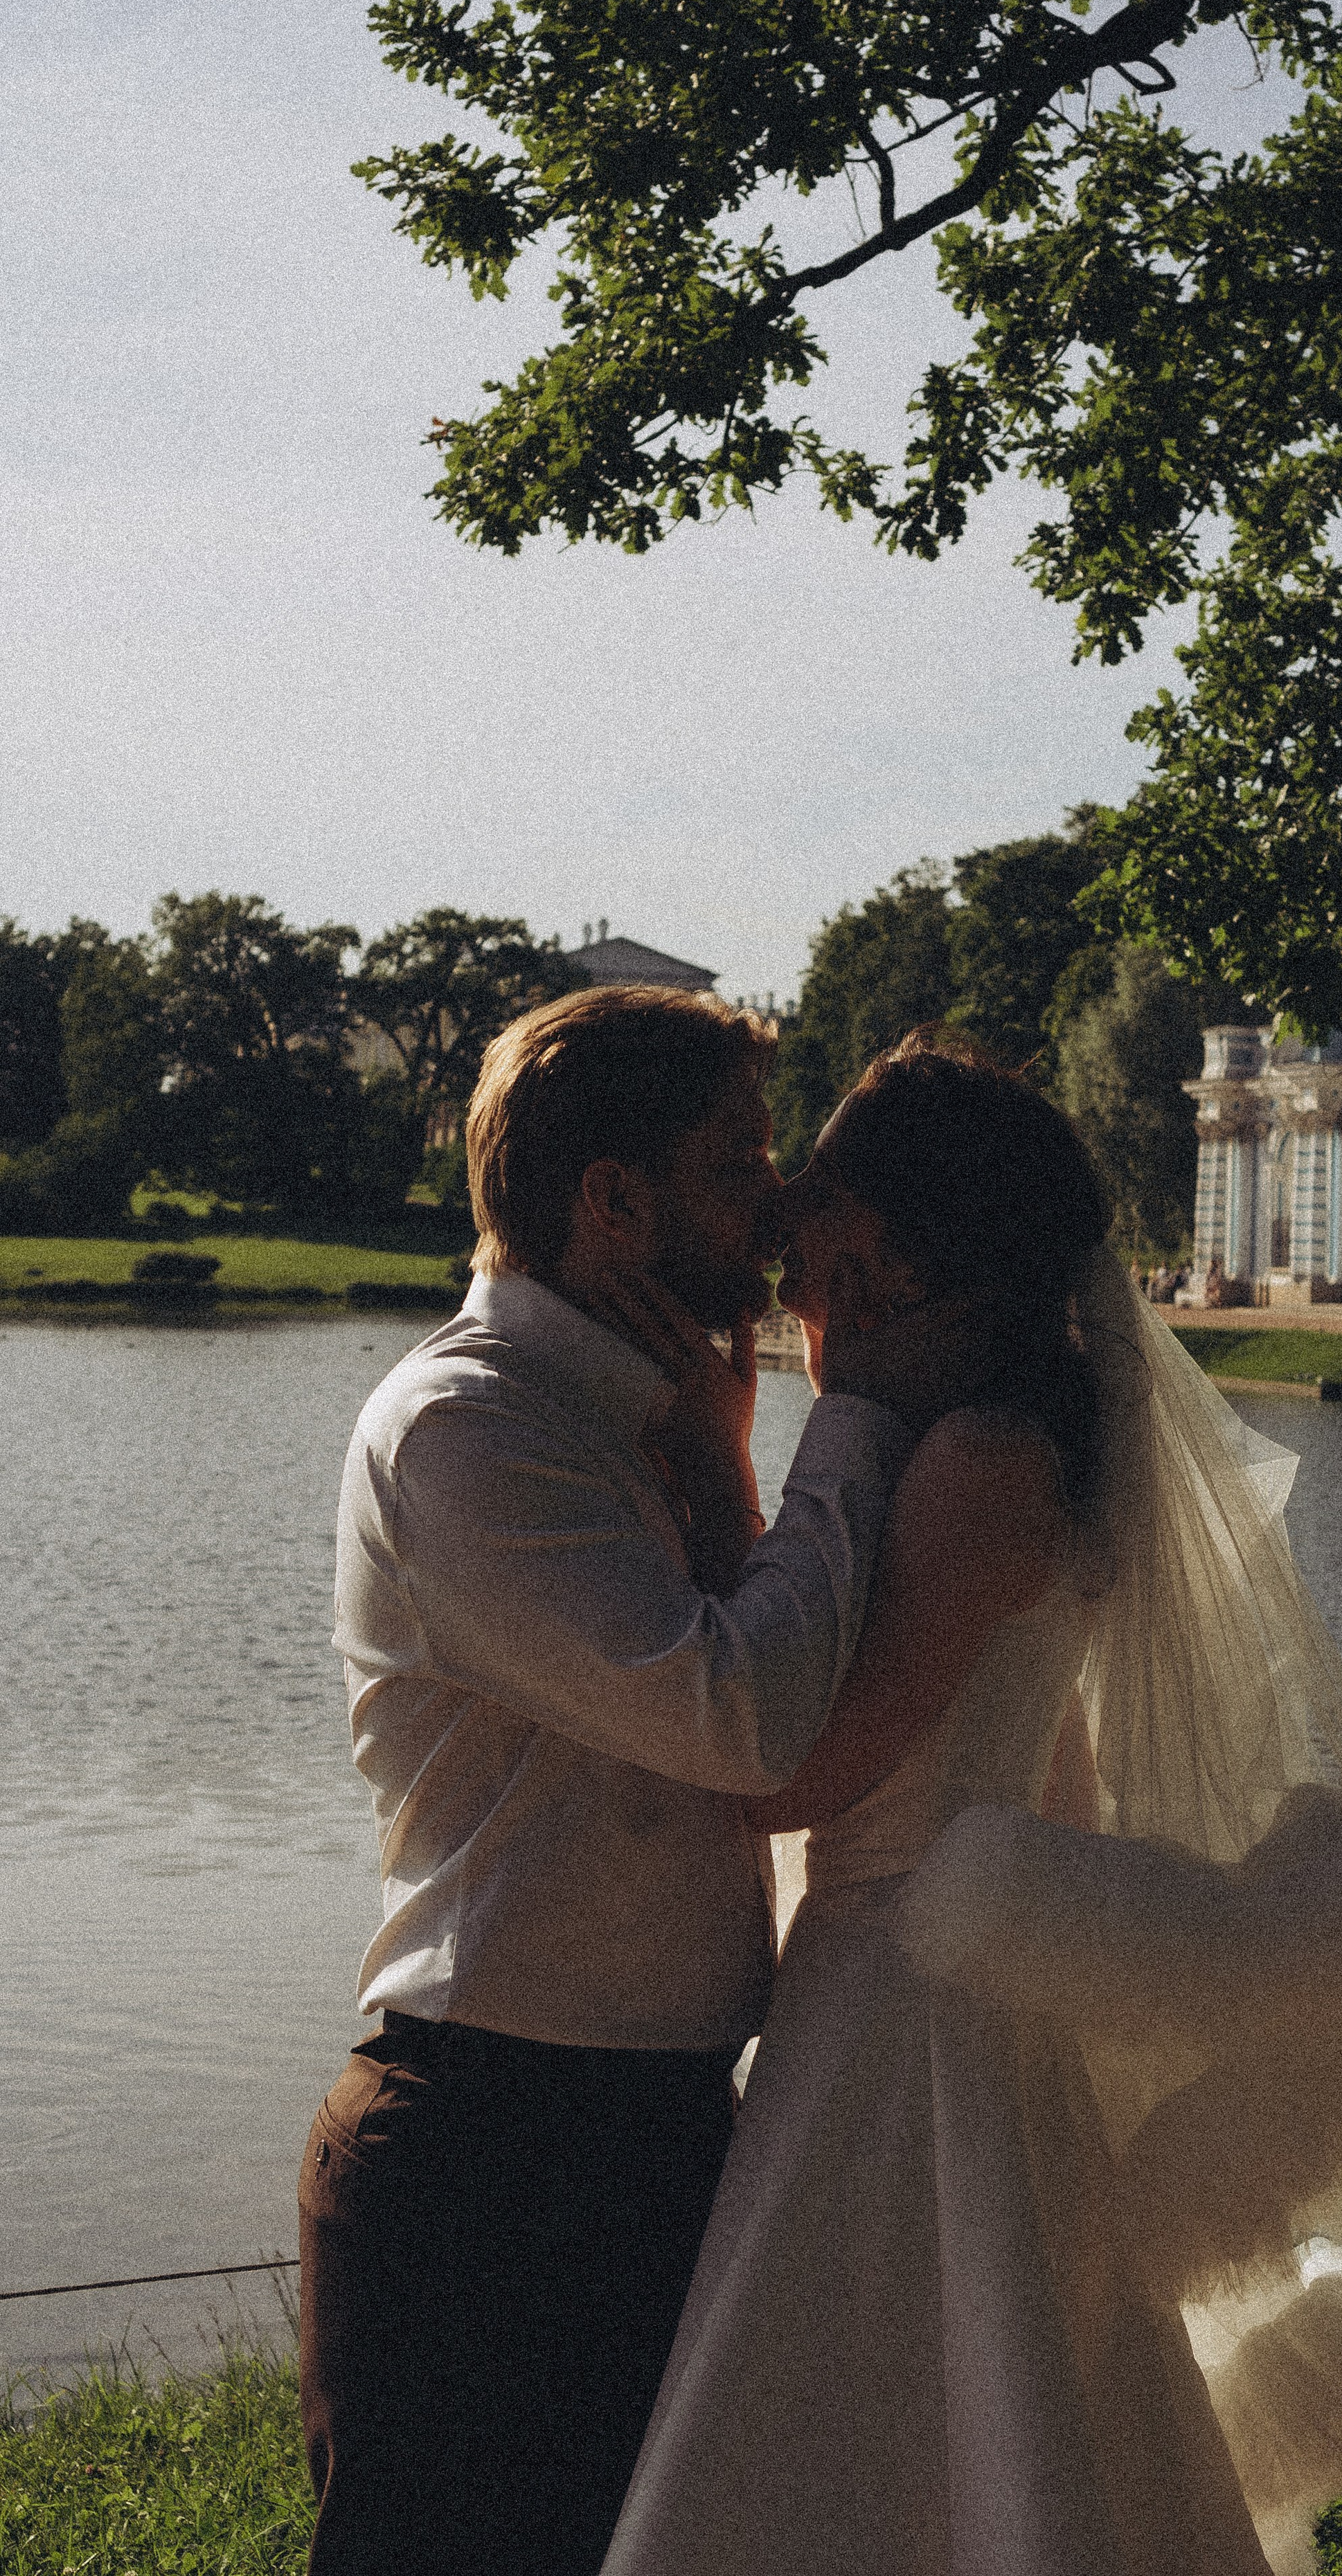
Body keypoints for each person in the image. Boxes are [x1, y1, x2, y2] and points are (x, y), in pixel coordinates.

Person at [601, 1034, 1342, 2576]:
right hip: (929, 1970)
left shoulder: (974, 1463)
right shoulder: (1000, 1440)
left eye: (823, 1261)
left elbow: (792, 1775)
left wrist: (731, 1487)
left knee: (910, 2384)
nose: (799, 1307)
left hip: (908, 2000)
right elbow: (1058, 1777)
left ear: (896, 1262)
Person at [298, 986, 973, 2576]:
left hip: (644, 2134)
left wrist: (726, 1450)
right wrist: (854, 1425)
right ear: (614, 1200)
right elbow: (738, 1719)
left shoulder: (642, 1422)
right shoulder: (468, 1429)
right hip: (490, 2164)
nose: (778, 1208)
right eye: (738, 1166)